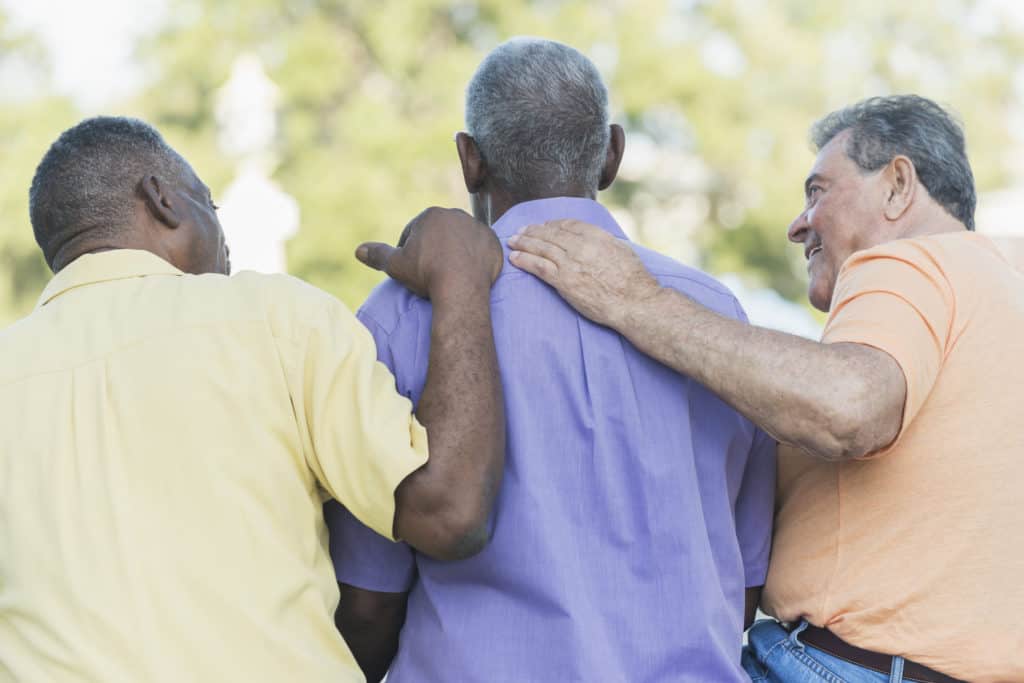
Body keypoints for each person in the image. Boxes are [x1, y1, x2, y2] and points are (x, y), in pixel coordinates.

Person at [508, 95, 1024, 682]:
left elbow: (847, 407)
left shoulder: (910, 264)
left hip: (840, 666)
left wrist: (635, 301)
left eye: (817, 192)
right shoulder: (1000, 296)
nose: (797, 224)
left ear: (898, 185)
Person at [324, 37, 776, 683]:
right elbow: (743, 585)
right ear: (612, 154)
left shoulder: (403, 315)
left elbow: (367, 601)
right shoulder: (716, 316)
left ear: (469, 161)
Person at [0, 116, 507, 682]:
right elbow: (450, 513)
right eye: (211, 207)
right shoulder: (272, 317)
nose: (226, 242)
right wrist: (460, 271)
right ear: (161, 198)